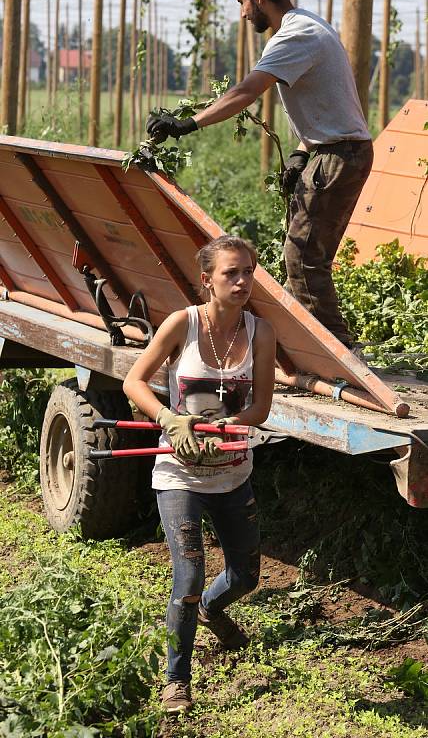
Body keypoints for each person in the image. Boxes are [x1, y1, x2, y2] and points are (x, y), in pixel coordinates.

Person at [147, 0, 374, 351]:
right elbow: (328, 105)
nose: (241, 14)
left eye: (241, 3)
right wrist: (303, 154)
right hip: (333, 152)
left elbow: (246, 92)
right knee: (303, 255)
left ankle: (340, 354)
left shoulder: (294, 35)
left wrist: (188, 124)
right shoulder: (309, 26)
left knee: (302, 256)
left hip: (340, 156)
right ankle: (299, 349)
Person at [123, 235, 276, 714]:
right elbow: (134, 382)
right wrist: (170, 419)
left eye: (248, 271)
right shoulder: (181, 325)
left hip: (233, 473)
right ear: (207, 280)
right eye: (232, 273)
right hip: (179, 474)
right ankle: (176, 681)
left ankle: (212, 609)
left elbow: (262, 406)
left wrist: (235, 422)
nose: (243, 281)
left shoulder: (261, 332)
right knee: (187, 577)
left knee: (246, 576)